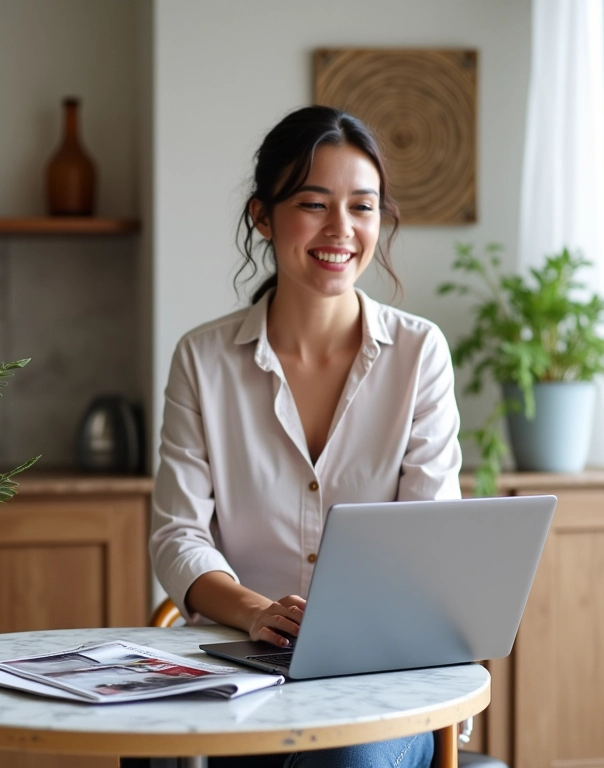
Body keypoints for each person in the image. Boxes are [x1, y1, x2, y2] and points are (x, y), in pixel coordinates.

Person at [150, 105, 462, 768]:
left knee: (343, 759)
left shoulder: (419, 354)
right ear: (263, 216)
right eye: (314, 204)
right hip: (244, 684)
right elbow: (178, 535)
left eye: (363, 207)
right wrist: (256, 612)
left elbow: (433, 534)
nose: (341, 230)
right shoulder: (202, 360)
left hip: (383, 686)